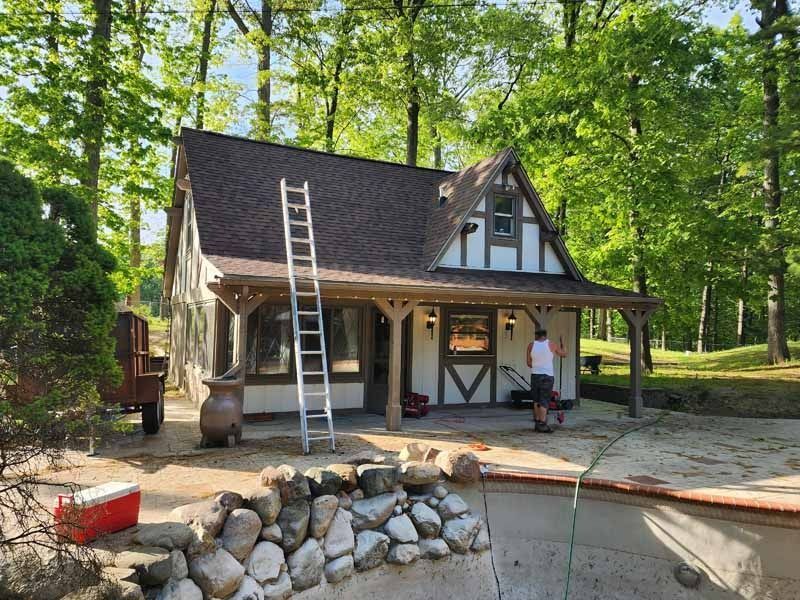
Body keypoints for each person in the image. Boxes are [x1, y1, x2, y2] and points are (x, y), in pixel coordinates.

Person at [526, 328, 566, 433]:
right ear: (545, 335)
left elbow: (529, 363)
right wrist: (562, 342)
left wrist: (537, 365)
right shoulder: (551, 344)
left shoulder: (531, 345)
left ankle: (537, 422)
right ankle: (542, 424)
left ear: (536, 336)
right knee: (544, 399)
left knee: (536, 400)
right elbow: (564, 354)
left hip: (535, 375)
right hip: (547, 376)